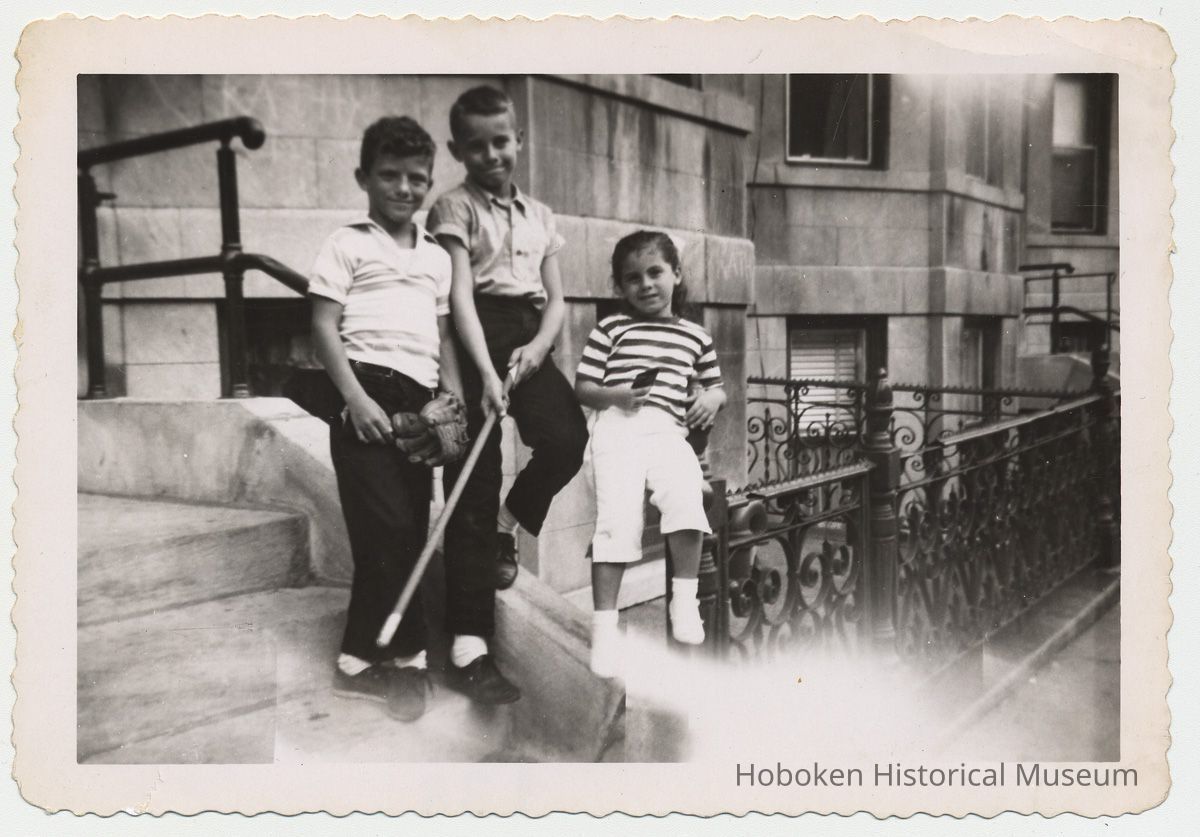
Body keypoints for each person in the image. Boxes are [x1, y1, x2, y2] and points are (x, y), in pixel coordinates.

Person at [426, 85, 589, 702]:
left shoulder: (541, 215)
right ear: (457, 149)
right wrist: (486, 375)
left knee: (567, 439)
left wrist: (542, 346)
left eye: (503, 140)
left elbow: (556, 301)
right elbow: (459, 295)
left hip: (527, 336)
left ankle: (508, 522)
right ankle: (470, 647)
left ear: (519, 140)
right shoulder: (453, 209)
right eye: (477, 144)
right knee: (471, 478)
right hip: (473, 338)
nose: (493, 154)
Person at [308, 116, 462, 722]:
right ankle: (408, 661)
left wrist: (452, 397)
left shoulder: (436, 259)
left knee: (404, 531)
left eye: (417, 179)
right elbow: (323, 326)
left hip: (420, 402)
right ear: (364, 178)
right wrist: (354, 399)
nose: (404, 188)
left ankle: (357, 661)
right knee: (388, 531)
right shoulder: (348, 243)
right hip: (366, 392)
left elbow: (444, 336)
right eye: (389, 176)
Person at [574, 230, 727, 678]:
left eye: (655, 272)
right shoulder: (611, 328)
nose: (646, 284)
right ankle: (605, 631)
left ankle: (684, 599)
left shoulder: (696, 336)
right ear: (620, 287)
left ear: (676, 275)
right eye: (632, 277)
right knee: (618, 521)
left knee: (685, 495)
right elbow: (583, 388)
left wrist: (712, 400)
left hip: (666, 429)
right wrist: (616, 395)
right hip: (617, 426)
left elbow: (717, 386)